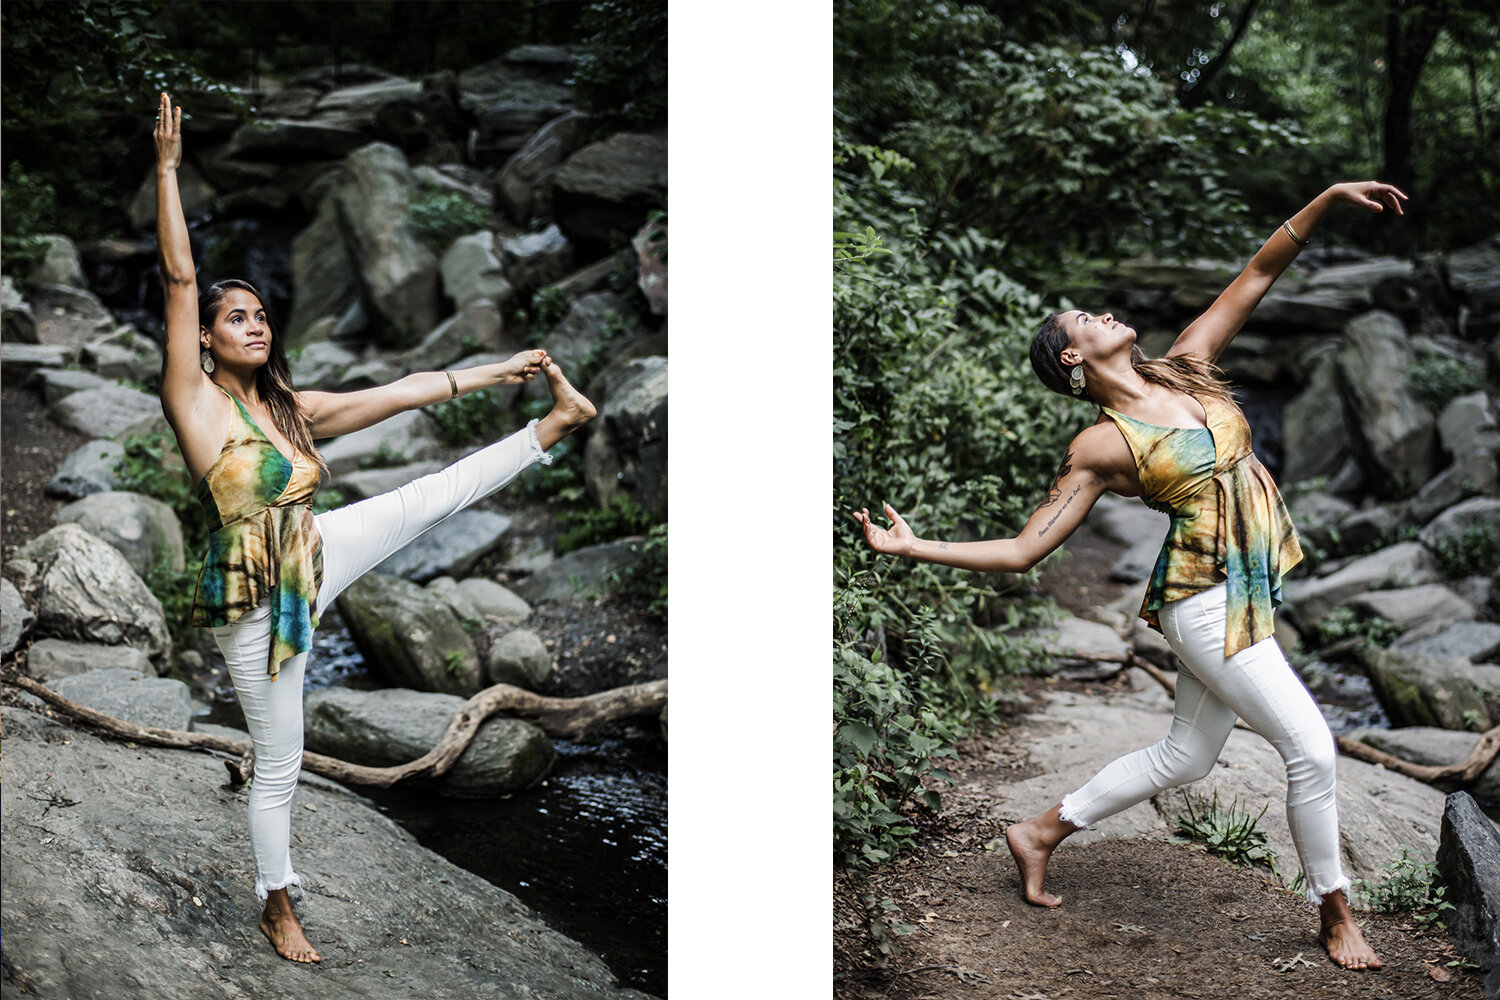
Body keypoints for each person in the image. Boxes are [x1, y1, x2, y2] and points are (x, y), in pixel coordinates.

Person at [854, 179, 1409, 971]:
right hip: (1203, 606)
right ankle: (1335, 913)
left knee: (1186, 756)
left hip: (1243, 592)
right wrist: (915, 548)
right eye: (1089, 319)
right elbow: (1023, 549)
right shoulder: (1100, 445)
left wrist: (1324, 199)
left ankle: (1039, 831)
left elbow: (1256, 275)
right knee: (1313, 752)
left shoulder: (1188, 367)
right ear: (1075, 356)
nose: (1108, 313)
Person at [153, 92, 596, 963]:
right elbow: (175, 278)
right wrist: (168, 170)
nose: (254, 324)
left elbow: (396, 393)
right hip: (258, 604)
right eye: (235, 316)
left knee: (433, 495)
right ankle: (276, 904)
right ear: (203, 341)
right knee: (280, 759)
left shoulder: (291, 407)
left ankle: (553, 426)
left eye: (261, 315)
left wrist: (497, 372)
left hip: (317, 554)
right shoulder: (194, 401)